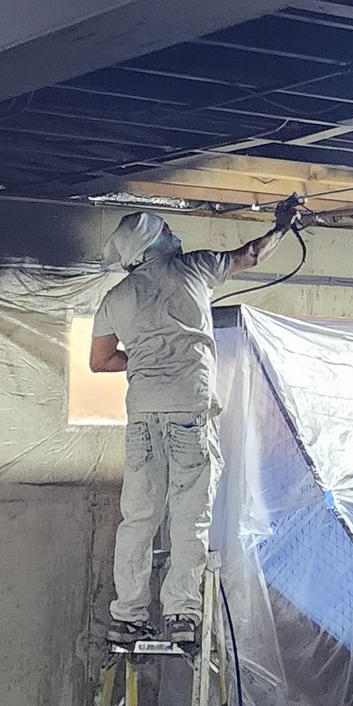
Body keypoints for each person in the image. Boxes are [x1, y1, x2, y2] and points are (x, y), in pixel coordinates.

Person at [91, 204, 299, 645]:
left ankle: (127, 614)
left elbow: (100, 360)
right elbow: (252, 255)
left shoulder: (117, 297)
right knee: (190, 516)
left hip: (144, 414)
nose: (173, 232)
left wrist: (148, 358)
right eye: (166, 229)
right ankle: (181, 614)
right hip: (189, 408)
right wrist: (283, 226)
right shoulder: (195, 267)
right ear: (154, 241)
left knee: (138, 518)